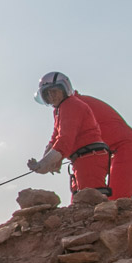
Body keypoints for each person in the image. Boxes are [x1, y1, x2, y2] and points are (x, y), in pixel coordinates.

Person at [28, 71, 110, 199]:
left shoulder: (71, 105)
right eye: (47, 93)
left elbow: (65, 140)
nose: (51, 96)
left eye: (54, 91)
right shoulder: (59, 110)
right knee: (81, 200)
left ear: (64, 89)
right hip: (82, 159)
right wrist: (43, 163)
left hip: (89, 158)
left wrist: (45, 163)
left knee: (91, 199)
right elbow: (55, 138)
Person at [69, 85, 132, 200]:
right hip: (106, 152)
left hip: (128, 149)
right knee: (86, 199)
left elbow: (66, 139)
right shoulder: (75, 105)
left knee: (114, 200)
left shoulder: (76, 106)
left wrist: (51, 160)